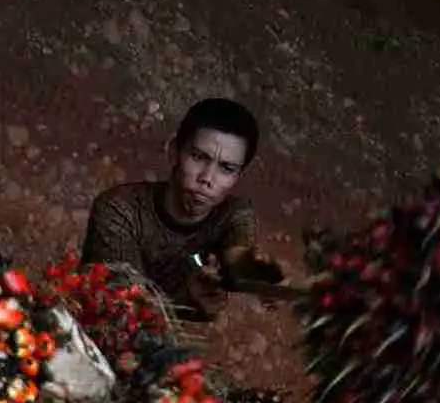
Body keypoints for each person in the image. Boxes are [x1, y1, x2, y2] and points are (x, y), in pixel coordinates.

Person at [80, 97, 287, 320]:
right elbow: (121, 309)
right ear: (173, 151)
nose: (207, 178)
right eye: (198, 157)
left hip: (160, 347)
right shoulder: (120, 209)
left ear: (238, 176)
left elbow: (236, 255)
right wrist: (185, 298)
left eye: (227, 168)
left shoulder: (234, 214)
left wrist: (259, 275)